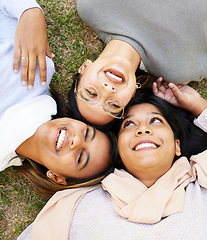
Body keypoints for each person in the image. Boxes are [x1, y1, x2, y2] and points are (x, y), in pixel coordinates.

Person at [18, 84, 207, 240]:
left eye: (156, 121)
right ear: (120, 153)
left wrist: (198, 105)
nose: (142, 129)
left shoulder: (202, 179)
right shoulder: (78, 205)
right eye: (129, 124)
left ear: (177, 146)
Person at [0, 0, 117, 199]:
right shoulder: (35, 70)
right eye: (87, 133)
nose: (76, 140)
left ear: (57, 177)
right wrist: (29, 11)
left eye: (80, 156)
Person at [67, 0, 207, 127]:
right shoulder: (180, 69)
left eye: (91, 92)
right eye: (114, 104)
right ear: (133, 93)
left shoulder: (91, 8)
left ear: (84, 68)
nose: (108, 90)